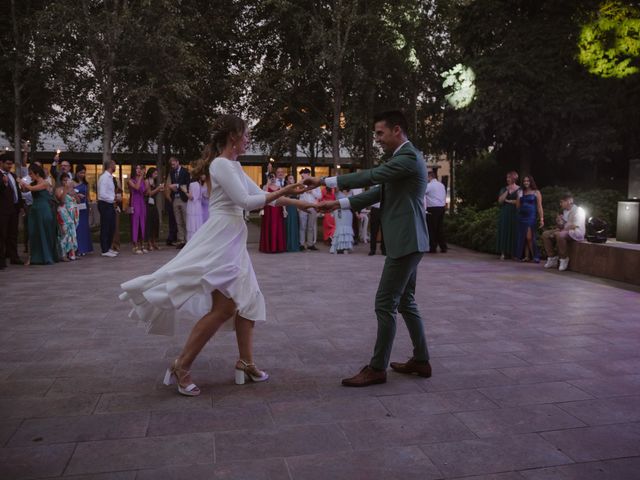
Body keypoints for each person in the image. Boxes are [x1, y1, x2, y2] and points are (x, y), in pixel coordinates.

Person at [120, 114, 312, 396]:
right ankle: (181, 365)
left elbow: (260, 194)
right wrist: (284, 189)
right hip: (222, 239)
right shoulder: (220, 164)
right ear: (233, 136)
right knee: (224, 309)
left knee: (249, 301)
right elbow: (247, 202)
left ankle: (245, 362)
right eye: (246, 134)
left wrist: (302, 203)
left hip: (234, 239)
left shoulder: (233, 165)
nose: (248, 139)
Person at [306, 110, 431, 387]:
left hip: (406, 241)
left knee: (385, 303)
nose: (377, 139)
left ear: (397, 130)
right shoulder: (403, 159)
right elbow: (379, 193)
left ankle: (377, 368)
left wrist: (325, 181)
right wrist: (337, 204)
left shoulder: (408, 158)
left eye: (380, 133)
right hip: (411, 240)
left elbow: (372, 177)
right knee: (406, 301)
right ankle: (421, 360)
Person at [18, 163, 58, 265]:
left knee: (44, 232)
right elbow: (25, 190)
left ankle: (46, 256)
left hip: (44, 210)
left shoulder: (45, 183)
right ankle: (33, 257)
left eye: (31, 173)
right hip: (34, 209)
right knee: (33, 233)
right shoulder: (32, 183)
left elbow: (32, 189)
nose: (30, 176)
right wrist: (21, 185)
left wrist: (22, 181)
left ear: (37, 173)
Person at [543, 192, 585, 271]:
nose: (560, 204)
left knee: (559, 235)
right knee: (546, 234)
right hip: (565, 231)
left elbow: (574, 226)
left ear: (569, 201)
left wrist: (560, 230)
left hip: (576, 232)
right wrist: (559, 222)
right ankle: (552, 258)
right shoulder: (565, 211)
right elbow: (563, 226)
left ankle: (564, 258)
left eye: (562, 202)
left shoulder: (579, 210)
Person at [0, 156, 24, 266]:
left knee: (12, 235)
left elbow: (17, 192)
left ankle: (14, 257)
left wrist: (20, 206)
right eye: (8, 163)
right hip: (3, 210)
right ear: (1, 163)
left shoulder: (13, 175)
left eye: (11, 164)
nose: (10, 166)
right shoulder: (1, 176)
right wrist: (4, 184)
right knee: (2, 235)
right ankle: (1, 261)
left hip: (14, 209)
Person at [515, 175, 543, 262]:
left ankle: (535, 255)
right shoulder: (521, 192)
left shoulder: (536, 192)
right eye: (524, 181)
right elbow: (517, 206)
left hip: (531, 216)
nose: (526, 183)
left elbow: (539, 206)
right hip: (522, 216)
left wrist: (542, 218)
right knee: (525, 237)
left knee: (529, 237)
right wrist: (519, 197)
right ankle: (527, 256)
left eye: (527, 181)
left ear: (531, 182)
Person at [259, 174, 287, 253]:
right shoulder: (265, 187)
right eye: (271, 177)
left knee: (277, 226)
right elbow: (264, 194)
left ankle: (278, 247)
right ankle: (268, 247)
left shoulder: (279, 187)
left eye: (273, 177)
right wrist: (268, 183)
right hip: (268, 209)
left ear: (276, 178)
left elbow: (282, 198)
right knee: (269, 225)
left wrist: (284, 209)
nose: (272, 179)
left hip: (277, 208)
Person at [55, 173, 79, 261]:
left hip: (72, 213)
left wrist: (74, 192)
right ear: (61, 181)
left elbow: (78, 201)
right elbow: (61, 201)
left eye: (68, 180)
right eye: (64, 180)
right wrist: (65, 189)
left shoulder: (71, 190)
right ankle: (63, 254)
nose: (66, 182)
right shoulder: (58, 189)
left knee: (72, 233)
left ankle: (72, 253)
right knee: (65, 233)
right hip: (63, 212)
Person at [97, 160, 119, 258]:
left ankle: (108, 247)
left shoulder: (110, 178)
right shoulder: (104, 177)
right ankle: (104, 249)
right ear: (110, 166)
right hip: (105, 204)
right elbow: (102, 194)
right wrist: (113, 199)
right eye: (114, 165)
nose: (115, 167)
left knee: (111, 226)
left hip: (109, 204)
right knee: (106, 227)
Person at [496, 171, 520, 260]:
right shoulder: (504, 189)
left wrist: (509, 201)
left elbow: (519, 202)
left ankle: (513, 253)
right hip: (505, 212)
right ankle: (503, 252)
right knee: (504, 230)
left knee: (514, 231)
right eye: (507, 178)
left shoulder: (519, 189)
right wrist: (507, 191)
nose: (507, 179)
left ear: (514, 178)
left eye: (509, 177)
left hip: (515, 212)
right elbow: (500, 201)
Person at [168, 157, 190, 248]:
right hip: (175, 198)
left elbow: (187, 183)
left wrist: (177, 185)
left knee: (185, 219)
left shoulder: (185, 171)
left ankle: (188, 239)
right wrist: (171, 187)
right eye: (171, 165)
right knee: (178, 221)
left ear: (178, 162)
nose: (173, 166)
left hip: (183, 198)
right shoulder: (172, 172)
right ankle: (181, 240)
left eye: (174, 164)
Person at [298, 168, 321, 251]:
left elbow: (319, 196)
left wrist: (312, 192)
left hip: (312, 206)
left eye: (303, 174)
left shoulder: (315, 184)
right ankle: (301, 244)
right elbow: (299, 197)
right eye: (301, 175)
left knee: (311, 226)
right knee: (302, 226)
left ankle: (310, 244)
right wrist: (299, 207)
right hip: (303, 207)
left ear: (308, 174)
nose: (302, 176)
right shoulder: (301, 184)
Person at [425, 170, 447, 253]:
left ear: (430, 177)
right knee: (439, 228)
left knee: (431, 228)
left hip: (432, 209)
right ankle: (443, 247)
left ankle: (432, 247)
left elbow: (421, 193)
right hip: (441, 208)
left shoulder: (429, 186)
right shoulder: (441, 185)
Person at [74, 164, 93, 255]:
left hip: (84, 207)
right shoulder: (73, 183)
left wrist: (89, 206)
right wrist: (76, 195)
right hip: (75, 207)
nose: (82, 174)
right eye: (81, 172)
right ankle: (78, 248)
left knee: (84, 227)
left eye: (84, 173)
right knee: (78, 227)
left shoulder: (86, 184)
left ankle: (85, 248)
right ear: (77, 172)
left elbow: (88, 196)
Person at [128, 164, 147, 254]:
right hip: (134, 203)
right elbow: (137, 187)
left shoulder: (142, 180)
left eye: (140, 168)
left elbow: (145, 191)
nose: (139, 170)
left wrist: (144, 179)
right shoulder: (130, 180)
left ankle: (142, 244)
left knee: (142, 223)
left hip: (141, 202)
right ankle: (135, 245)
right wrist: (140, 178)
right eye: (137, 169)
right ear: (134, 170)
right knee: (135, 223)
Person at [329, 188, 354, 254]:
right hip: (339, 211)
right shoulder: (337, 189)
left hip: (348, 212)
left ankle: (346, 247)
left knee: (347, 230)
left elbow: (353, 202)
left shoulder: (351, 191)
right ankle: (337, 247)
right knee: (339, 228)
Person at [144, 167, 163, 251]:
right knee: (149, 223)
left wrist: (159, 189)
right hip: (148, 204)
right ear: (151, 173)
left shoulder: (154, 181)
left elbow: (154, 192)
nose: (156, 175)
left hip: (153, 203)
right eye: (155, 173)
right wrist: (158, 189)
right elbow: (149, 193)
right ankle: (149, 243)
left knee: (155, 222)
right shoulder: (147, 181)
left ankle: (154, 242)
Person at [186, 173, 205, 242]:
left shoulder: (194, 184)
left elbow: (191, 197)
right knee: (196, 222)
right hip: (197, 205)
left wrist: (185, 191)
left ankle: (192, 240)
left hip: (194, 205)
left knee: (193, 222)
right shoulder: (196, 184)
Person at [284, 174, 300, 252]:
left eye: (293, 178)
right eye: (290, 178)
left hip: (294, 207)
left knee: (294, 224)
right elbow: (284, 197)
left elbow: (298, 197)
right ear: (287, 180)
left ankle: (295, 244)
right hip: (288, 206)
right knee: (289, 224)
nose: (292, 180)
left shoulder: (295, 187)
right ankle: (289, 245)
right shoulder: (286, 188)